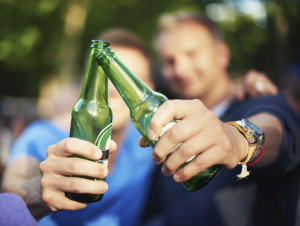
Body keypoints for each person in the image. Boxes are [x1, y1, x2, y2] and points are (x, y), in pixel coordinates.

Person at [139, 11, 300, 226]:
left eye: (191, 53)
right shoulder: (166, 130)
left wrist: (238, 138)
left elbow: (279, 131)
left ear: (222, 54)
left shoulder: (257, 101)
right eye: (169, 61)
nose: (181, 69)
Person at [1, 28, 156, 226]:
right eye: (107, 74)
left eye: (129, 79)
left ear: (150, 88)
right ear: (87, 80)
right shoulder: (42, 136)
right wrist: (38, 191)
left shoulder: (146, 143)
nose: (116, 89)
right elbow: (11, 185)